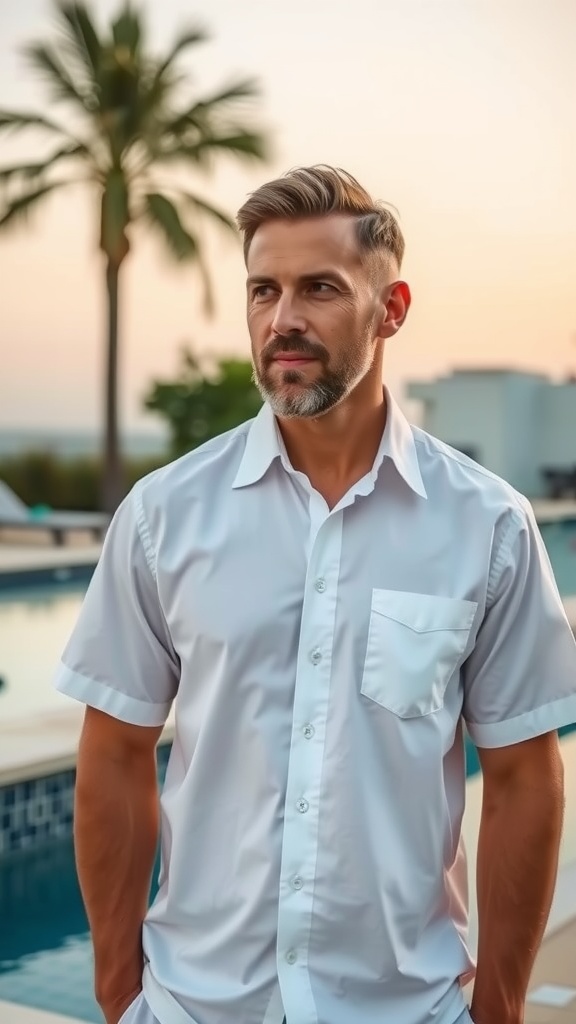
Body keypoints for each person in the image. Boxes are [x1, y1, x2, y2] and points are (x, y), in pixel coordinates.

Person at [55, 165, 576, 1024]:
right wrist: (119, 991)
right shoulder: (164, 516)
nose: (283, 319)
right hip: (197, 1006)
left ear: (392, 309)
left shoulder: (489, 527)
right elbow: (112, 753)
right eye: (264, 290)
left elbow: (525, 776)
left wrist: (500, 1007)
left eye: (319, 289)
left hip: (406, 1007)